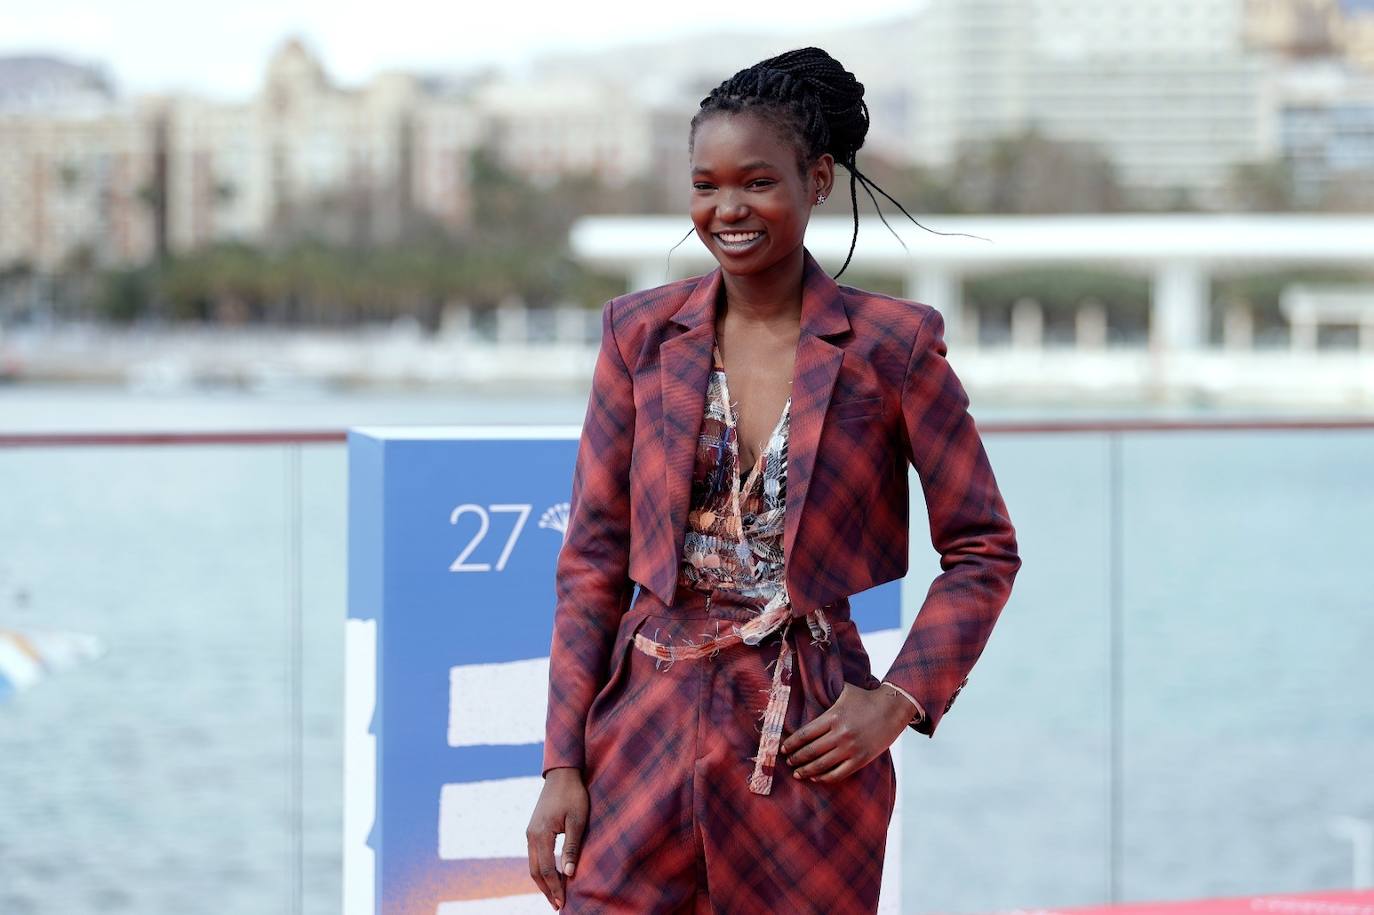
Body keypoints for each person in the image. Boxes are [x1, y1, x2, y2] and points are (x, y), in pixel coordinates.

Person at [526, 47, 1021, 914]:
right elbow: (593, 559)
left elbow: (983, 549)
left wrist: (899, 700)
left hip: (807, 735)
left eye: (756, 182)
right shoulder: (638, 336)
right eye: (706, 184)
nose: (727, 209)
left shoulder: (891, 348)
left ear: (817, 181)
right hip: (642, 728)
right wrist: (562, 761)